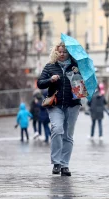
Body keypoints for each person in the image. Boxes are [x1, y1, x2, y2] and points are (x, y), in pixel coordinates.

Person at [37, 41, 82, 176]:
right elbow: (40, 83)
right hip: (55, 104)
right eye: (60, 52)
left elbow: (83, 84)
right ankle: (56, 162)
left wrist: (79, 78)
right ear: (56, 52)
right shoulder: (50, 66)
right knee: (57, 129)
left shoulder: (76, 66)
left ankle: (65, 165)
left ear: (69, 53)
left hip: (73, 104)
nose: (62, 54)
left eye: (65, 52)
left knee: (68, 135)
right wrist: (50, 80)